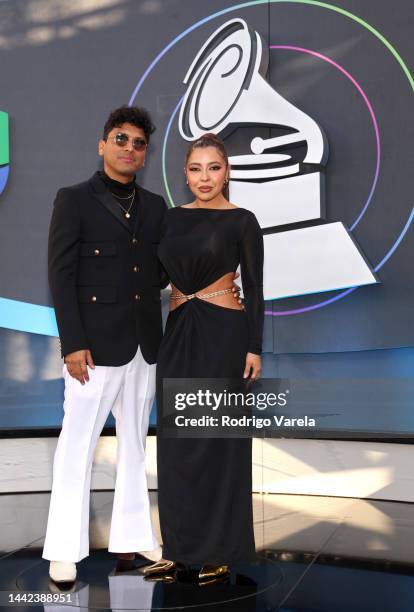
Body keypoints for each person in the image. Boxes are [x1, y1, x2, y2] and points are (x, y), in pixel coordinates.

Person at [43, 105, 167, 583]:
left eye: (138, 143)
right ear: (102, 144)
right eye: (121, 139)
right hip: (91, 350)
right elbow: (61, 273)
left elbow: (159, 271)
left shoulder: (156, 207)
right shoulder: (72, 199)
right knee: (77, 447)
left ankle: (136, 539)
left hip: (143, 346)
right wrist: (72, 343)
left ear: (144, 153)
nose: (129, 149)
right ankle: (63, 552)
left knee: (135, 445)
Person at [145, 133, 264, 583]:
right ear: (185, 173)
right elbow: (154, 275)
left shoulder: (242, 221)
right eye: (195, 169)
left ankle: (220, 549)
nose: (204, 178)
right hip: (178, 335)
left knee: (219, 443)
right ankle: (178, 550)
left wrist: (254, 345)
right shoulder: (170, 220)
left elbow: (253, 286)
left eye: (213, 168)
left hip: (225, 339)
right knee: (177, 445)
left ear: (227, 171)